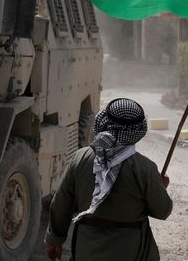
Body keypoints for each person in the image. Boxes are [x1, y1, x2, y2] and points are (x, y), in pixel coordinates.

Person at [45, 98, 173, 261]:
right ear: (138, 130)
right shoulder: (144, 168)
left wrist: (54, 240)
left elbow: (60, 204)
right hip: (129, 251)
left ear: (103, 122)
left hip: (86, 250)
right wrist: (161, 187)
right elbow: (162, 210)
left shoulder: (81, 157)